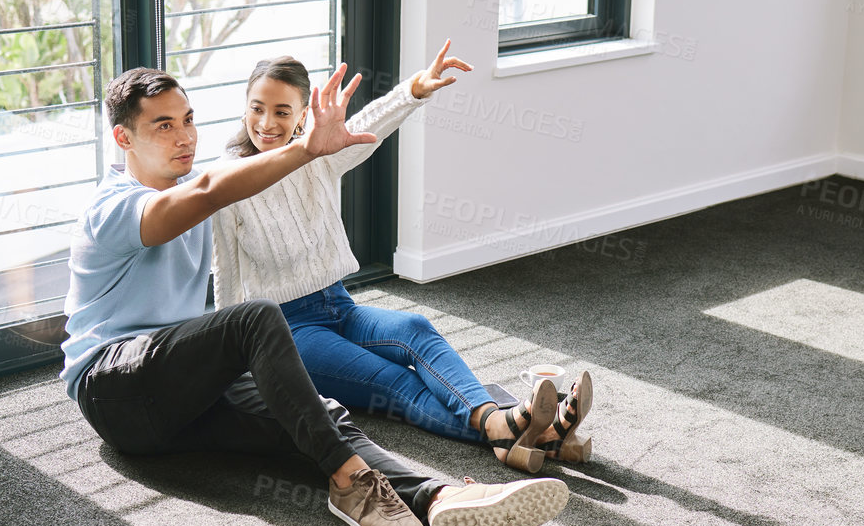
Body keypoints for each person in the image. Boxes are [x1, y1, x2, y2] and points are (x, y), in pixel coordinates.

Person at [61, 62, 568, 526]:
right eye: (164, 125)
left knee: (322, 415)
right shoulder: (113, 208)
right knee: (257, 317)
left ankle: (439, 495)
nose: (185, 136)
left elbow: (318, 156)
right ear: (123, 138)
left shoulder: (196, 189)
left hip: (177, 402)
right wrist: (304, 148)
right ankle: (351, 487)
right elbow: (214, 191)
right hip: (114, 388)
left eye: (189, 120)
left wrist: (396, 98)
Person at [211, 40, 594, 471]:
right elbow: (225, 270)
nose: (266, 122)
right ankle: (532, 433)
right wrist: (232, 360)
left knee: (414, 326)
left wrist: (415, 88)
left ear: (303, 116)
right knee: (392, 382)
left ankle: (509, 429)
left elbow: (367, 127)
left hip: (339, 305)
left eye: (282, 111)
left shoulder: (316, 156)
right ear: (244, 108)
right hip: (290, 331)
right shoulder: (228, 181)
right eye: (257, 108)